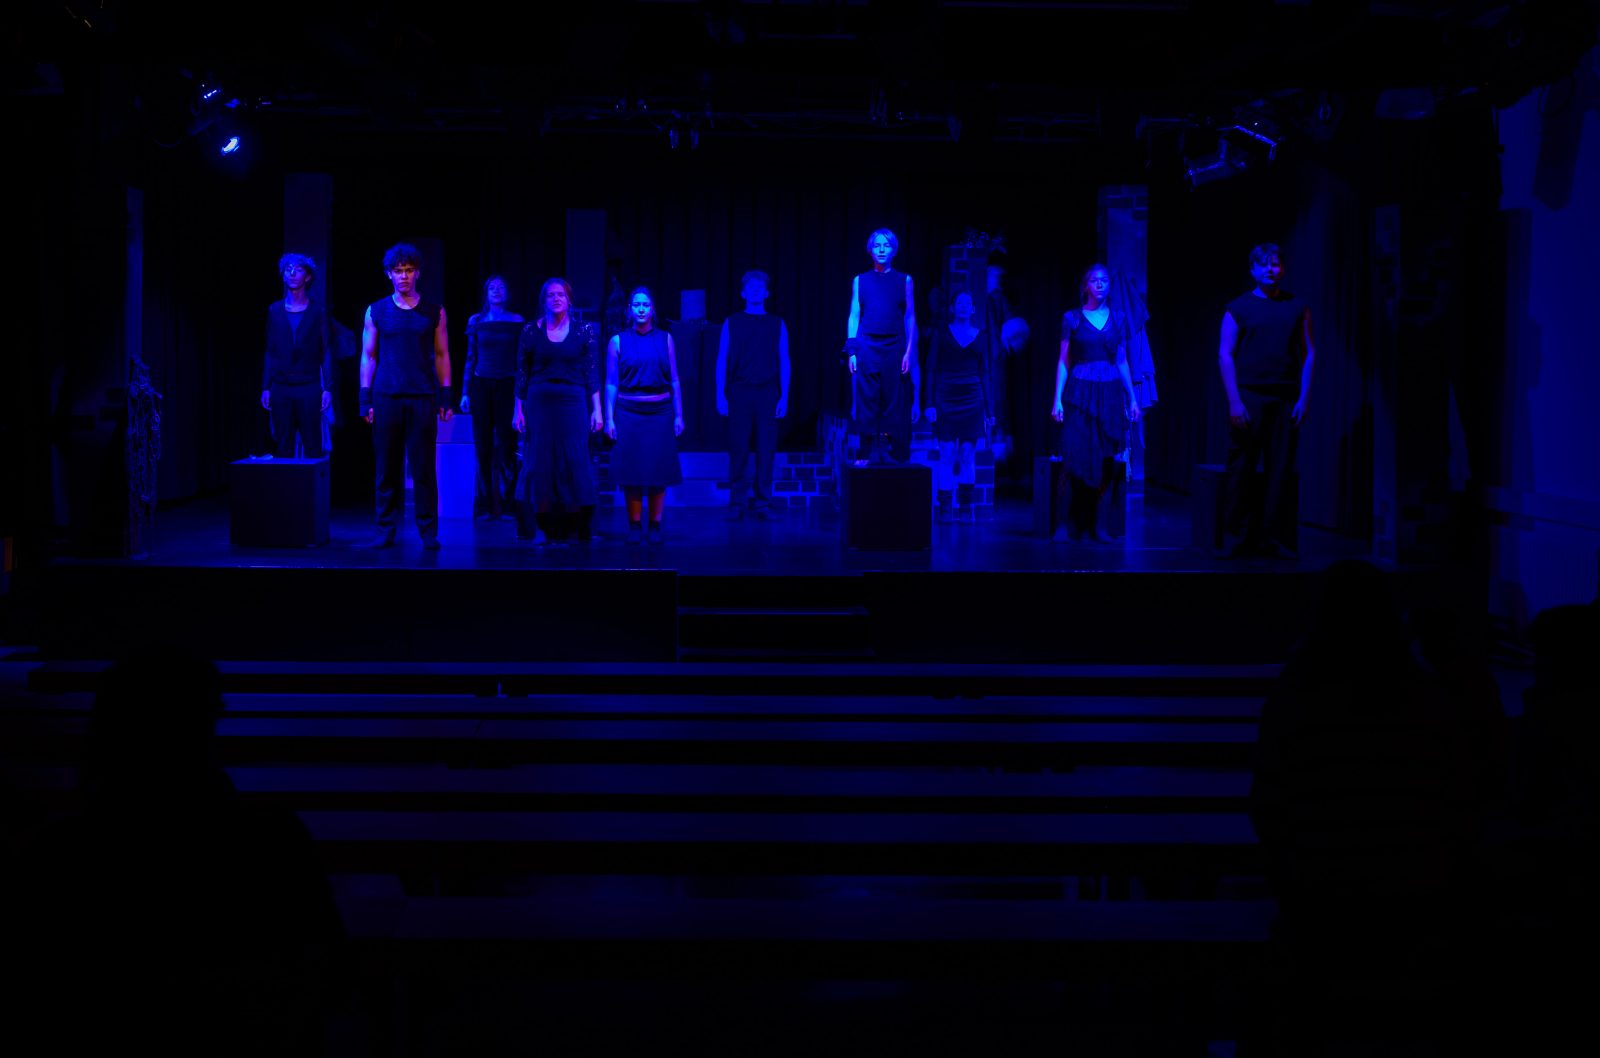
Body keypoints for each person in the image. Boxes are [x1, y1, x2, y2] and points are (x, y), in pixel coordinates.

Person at [1218, 243, 1315, 559]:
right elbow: (1225, 355)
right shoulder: (1238, 308)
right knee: (1241, 469)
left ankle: (1273, 539)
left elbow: (1310, 353)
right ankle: (1235, 539)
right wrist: (1234, 401)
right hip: (1249, 396)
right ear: (1253, 270)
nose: (1270, 270)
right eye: (1264, 265)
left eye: (1275, 264)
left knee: (1280, 472)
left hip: (1285, 397)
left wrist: (1304, 397)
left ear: (1282, 269)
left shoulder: (1297, 307)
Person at [358, 243, 453, 550]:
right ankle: (386, 529)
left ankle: (428, 532)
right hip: (386, 396)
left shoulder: (434, 311)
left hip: (422, 396)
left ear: (418, 273)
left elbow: (442, 354)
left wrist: (446, 396)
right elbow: (368, 356)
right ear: (389, 274)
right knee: (387, 467)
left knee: (423, 468)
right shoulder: (376, 310)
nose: (404, 276)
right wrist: (365, 398)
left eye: (409, 270)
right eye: (398, 271)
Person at [1050, 264, 1141, 542]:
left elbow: (1122, 361)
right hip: (1079, 393)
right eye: (1094, 280)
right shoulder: (1072, 318)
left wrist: (1132, 398)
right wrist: (1057, 399)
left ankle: (1099, 527)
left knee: (1107, 460)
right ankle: (1063, 526)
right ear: (1086, 286)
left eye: (1104, 280)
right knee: (1071, 456)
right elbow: (1064, 361)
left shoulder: (1119, 318)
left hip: (1110, 395)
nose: (1100, 284)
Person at [513, 277, 602, 544]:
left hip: (573, 400)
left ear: (569, 299)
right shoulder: (530, 331)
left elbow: (591, 372)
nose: (556, 298)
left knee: (574, 457)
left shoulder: (584, 330)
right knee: (541, 459)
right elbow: (521, 373)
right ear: (544, 300)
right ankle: (543, 524)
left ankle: (575, 524)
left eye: (561, 294)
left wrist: (597, 410)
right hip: (539, 401)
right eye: (551, 295)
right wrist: (518, 410)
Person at [605, 287, 683, 545]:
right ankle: (635, 524)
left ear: (652, 309)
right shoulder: (617, 341)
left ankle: (656, 524)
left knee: (658, 470)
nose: (641, 309)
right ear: (629, 309)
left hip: (660, 412)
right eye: (636, 304)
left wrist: (679, 415)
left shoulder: (666, 339)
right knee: (632, 472)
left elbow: (674, 379)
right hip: (629, 412)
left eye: (645, 305)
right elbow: (611, 383)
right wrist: (609, 418)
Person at [716, 270, 791, 521]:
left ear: (767, 293)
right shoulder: (732, 322)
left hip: (768, 392)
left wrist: (784, 396)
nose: (756, 289)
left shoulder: (777, 323)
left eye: (760, 286)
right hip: (739, 391)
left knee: (766, 450)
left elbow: (784, 360)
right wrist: (720, 394)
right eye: (751, 286)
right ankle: (737, 502)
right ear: (743, 293)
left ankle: (763, 503)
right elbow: (721, 359)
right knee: (738, 449)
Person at [846, 228, 918, 464]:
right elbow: (854, 316)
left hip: (894, 345)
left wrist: (909, 351)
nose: (881, 249)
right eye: (877, 245)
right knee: (867, 398)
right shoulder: (860, 280)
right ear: (870, 250)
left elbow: (910, 316)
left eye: (886, 245)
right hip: (867, 344)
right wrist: (852, 351)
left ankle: (890, 451)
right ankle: (866, 450)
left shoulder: (905, 280)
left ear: (893, 250)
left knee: (892, 399)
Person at [924, 289, 992, 522]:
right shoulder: (941, 334)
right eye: (959, 303)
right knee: (947, 453)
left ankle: (965, 507)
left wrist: (990, 410)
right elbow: (931, 369)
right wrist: (929, 403)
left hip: (973, 400)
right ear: (953, 308)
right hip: (946, 397)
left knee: (966, 453)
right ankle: (945, 508)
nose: (963, 306)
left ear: (973, 309)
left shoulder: (981, 336)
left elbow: (984, 373)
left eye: (967, 303)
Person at [459, 275, 524, 519]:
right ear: (486, 293)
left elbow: (522, 361)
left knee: (507, 445)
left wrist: (521, 395)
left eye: (501, 287)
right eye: (492, 288)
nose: (497, 291)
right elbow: (470, 357)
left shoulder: (516, 321)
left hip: (507, 385)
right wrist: (465, 392)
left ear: (508, 293)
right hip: (481, 386)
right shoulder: (476, 320)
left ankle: (508, 505)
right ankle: (485, 505)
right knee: (483, 446)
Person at [259, 253, 333, 459]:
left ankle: (313, 482)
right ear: (283, 275)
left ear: (307, 277)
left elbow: (326, 350)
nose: (292, 273)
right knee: (283, 445)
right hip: (281, 386)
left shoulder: (318, 311)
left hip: (308, 386)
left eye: (298, 269)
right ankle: (285, 482)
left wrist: (328, 387)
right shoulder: (274, 310)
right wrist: (266, 386)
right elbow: (270, 350)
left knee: (313, 445)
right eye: (288, 269)